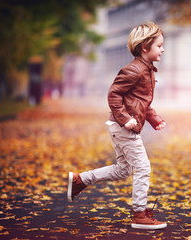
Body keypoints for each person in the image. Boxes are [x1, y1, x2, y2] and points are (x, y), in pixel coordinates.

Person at [67, 22, 167, 230]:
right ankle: (139, 214)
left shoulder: (146, 70)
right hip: (124, 127)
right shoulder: (134, 70)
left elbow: (140, 102)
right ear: (145, 48)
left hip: (122, 126)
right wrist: (124, 119)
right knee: (143, 167)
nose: (162, 49)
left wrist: (154, 119)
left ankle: (80, 180)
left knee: (123, 170)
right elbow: (113, 94)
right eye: (159, 45)